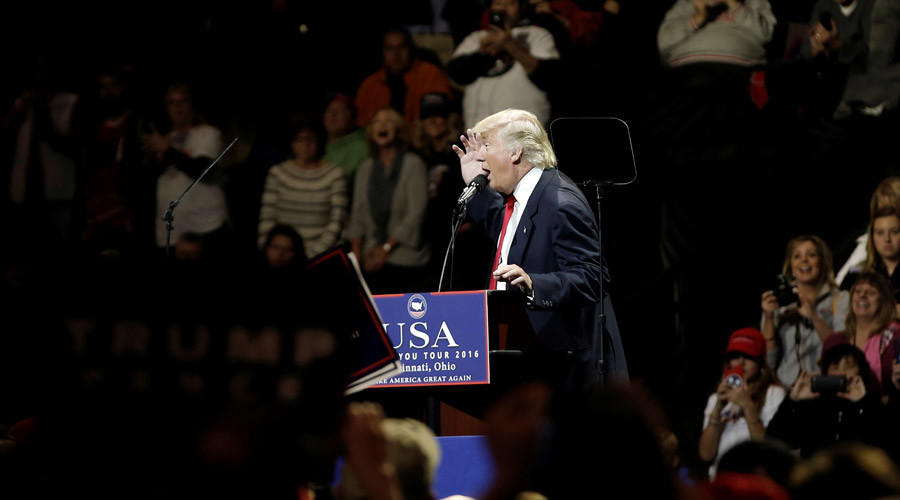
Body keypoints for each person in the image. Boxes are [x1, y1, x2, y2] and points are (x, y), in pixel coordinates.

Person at [452, 108, 628, 392]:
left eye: (486, 145)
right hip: (528, 359)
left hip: (565, 372)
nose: (480, 155)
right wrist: (477, 183)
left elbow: (594, 277)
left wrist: (535, 284)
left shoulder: (560, 202)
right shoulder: (524, 196)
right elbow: (505, 229)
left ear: (515, 152)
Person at [346, 108, 431, 294]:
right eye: (377, 121)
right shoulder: (365, 168)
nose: (382, 125)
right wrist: (355, 258)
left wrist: (385, 249)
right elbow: (357, 214)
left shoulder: (413, 163)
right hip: (369, 254)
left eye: (389, 121)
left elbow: (416, 212)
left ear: (399, 130)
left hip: (405, 256)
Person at [140, 83, 228, 255]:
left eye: (183, 102)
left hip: (206, 227)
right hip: (171, 231)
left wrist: (167, 151)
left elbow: (204, 170)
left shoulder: (207, 133)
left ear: (192, 105)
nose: (177, 108)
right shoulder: (162, 140)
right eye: (172, 103)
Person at [446, 0, 561, 127]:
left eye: (510, 3)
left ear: (521, 7)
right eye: (498, 3)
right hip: (480, 138)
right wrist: (482, 55)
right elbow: (456, 76)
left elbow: (550, 77)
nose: (503, 9)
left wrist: (511, 46)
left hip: (522, 135)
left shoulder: (536, 35)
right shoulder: (475, 38)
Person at [766, 343, 886, 458]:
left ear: (861, 372)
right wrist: (792, 401)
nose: (841, 372)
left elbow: (883, 445)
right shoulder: (814, 404)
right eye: (835, 366)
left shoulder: (872, 404)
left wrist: (862, 404)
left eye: (849, 366)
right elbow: (775, 441)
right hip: (816, 474)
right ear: (826, 373)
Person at [760, 235, 850, 387]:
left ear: (821, 261)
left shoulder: (840, 299)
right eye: (797, 256)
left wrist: (813, 317)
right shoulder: (780, 305)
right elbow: (767, 363)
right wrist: (769, 318)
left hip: (826, 387)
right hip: (788, 391)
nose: (804, 260)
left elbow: (841, 351)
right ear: (791, 265)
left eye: (811, 255)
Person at [699, 328, 786, 478]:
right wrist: (718, 408)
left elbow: (768, 449)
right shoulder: (715, 398)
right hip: (722, 482)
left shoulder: (774, 394)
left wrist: (747, 405)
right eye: (735, 356)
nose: (741, 361)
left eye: (748, 356)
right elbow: (706, 454)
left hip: (756, 482)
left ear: (760, 362)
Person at [258, 113, 347, 259]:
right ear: (291, 143)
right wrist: (269, 250)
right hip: (281, 257)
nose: (305, 144)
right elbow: (267, 217)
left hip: (320, 257)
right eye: (300, 139)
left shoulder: (334, 174)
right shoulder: (277, 173)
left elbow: (337, 221)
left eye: (310, 138)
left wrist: (311, 255)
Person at [354, 27, 454, 129]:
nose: (396, 54)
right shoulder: (370, 85)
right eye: (390, 48)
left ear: (411, 49)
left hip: (422, 141)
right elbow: (362, 126)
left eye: (401, 47)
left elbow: (441, 120)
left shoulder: (430, 74)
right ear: (383, 52)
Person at [822, 271, 900, 400]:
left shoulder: (897, 337)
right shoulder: (834, 341)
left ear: (883, 301)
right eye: (857, 291)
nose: (862, 295)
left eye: (871, 293)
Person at [837, 176, 900, 286]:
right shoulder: (866, 245)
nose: (887, 238)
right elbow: (838, 286)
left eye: (893, 209)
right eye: (882, 210)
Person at [322, 92, 369, 183]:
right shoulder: (317, 147)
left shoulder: (361, 148)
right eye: (328, 110)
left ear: (352, 118)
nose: (332, 114)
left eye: (340, 111)